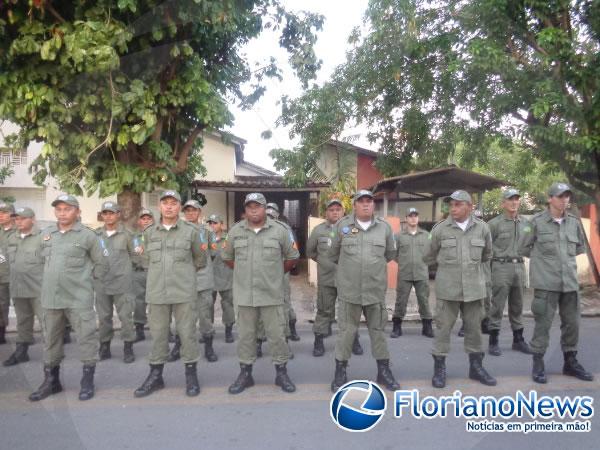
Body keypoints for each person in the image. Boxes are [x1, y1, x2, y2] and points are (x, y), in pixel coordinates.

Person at [29, 194, 108, 401]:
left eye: (68, 209)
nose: (62, 213)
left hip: (78, 298)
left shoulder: (88, 236)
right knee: (50, 340)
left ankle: (87, 380)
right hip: (51, 299)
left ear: (78, 212)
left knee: (86, 338)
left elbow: (100, 264)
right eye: (59, 209)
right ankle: (51, 381)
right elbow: (37, 260)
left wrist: (87, 283)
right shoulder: (46, 235)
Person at [223, 193, 299, 394]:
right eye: (250, 206)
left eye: (258, 206)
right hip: (245, 294)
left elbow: (292, 257)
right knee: (246, 337)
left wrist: (274, 274)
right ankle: (245, 374)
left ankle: (281, 373)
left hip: (271, 293)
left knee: (277, 336)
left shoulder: (281, 230)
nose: (254, 210)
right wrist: (244, 273)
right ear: (245, 209)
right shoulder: (235, 231)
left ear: (265, 208)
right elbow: (228, 258)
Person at [133, 190, 207, 398]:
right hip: (157, 292)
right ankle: (156, 376)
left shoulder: (191, 232)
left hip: (184, 292)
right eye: (165, 203)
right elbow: (145, 260)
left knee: (187, 334)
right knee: (158, 336)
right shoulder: (149, 233)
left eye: (173, 203)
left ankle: (191, 376)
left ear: (179, 207)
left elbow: (199, 260)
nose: (169, 206)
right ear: (160, 207)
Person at [520, 182, 593, 384]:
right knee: (542, 325)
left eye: (567, 196)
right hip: (546, 284)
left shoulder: (574, 223)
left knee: (572, 325)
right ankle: (538, 362)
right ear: (550, 198)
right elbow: (523, 248)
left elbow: (578, 248)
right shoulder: (535, 222)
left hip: (569, 283)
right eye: (560, 196)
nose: (565, 200)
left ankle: (570, 362)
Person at [424, 190, 496, 389]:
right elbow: (428, 256)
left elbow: (486, 254)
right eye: (451, 205)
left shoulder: (483, 229)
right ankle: (439, 369)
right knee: (442, 330)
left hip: (474, 289)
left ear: (469, 207)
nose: (452, 208)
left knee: (474, 330)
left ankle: (476, 368)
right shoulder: (440, 230)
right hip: (448, 290)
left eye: (457, 204)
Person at [330, 190, 400, 392]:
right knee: (345, 333)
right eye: (362, 201)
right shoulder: (342, 226)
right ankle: (340, 372)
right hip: (349, 292)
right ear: (355, 205)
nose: (366, 205)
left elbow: (389, 254)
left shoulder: (384, 228)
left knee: (378, 333)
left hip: (374, 291)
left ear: (373, 205)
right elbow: (334, 254)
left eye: (369, 201)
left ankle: (383, 371)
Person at [167, 199, 218, 363]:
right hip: (182, 281)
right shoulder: (177, 231)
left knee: (204, 317)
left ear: (199, 213)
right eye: (187, 210)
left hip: (203, 280)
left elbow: (213, 252)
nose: (190, 213)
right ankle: (178, 346)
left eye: (193, 210)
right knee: (182, 317)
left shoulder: (207, 231)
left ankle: (209, 347)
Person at [486, 188, 531, 356]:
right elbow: (486, 248)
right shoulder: (494, 224)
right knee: (497, 305)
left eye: (516, 199)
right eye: (510, 199)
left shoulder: (526, 224)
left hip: (519, 266)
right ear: (503, 203)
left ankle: (518, 340)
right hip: (500, 266)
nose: (514, 202)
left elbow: (532, 244)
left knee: (518, 305)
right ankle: (493, 340)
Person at [94, 201, 136, 364]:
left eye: (111, 213)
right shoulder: (95, 236)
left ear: (118, 215)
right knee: (104, 317)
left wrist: (127, 272)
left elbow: (136, 255)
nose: (108, 216)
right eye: (105, 213)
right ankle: (104, 346)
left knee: (126, 316)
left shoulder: (127, 234)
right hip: (102, 283)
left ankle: (128, 347)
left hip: (122, 283)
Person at [3, 207, 44, 366]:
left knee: (46, 322)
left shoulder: (43, 238)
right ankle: (22, 351)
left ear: (32, 219)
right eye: (16, 219)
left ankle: (51, 355)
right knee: (23, 321)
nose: (18, 221)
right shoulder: (12, 238)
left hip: (38, 289)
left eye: (22, 218)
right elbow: (3, 257)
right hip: (18, 287)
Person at [306, 198, 344, 357]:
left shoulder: (352, 229)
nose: (335, 212)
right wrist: (324, 262)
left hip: (348, 280)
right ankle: (319, 341)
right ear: (326, 213)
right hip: (327, 279)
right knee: (323, 311)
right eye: (331, 210)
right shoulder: (318, 230)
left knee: (349, 312)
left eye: (338, 209)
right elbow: (310, 252)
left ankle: (352, 339)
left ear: (343, 212)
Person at [391, 207, 434, 339]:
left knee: (424, 301)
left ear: (418, 218)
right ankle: (396, 327)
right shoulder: (398, 236)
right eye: (410, 216)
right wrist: (404, 262)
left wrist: (423, 264)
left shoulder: (427, 235)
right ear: (406, 219)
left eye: (415, 215)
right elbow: (394, 254)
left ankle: (427, 327)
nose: (413, 218)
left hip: (421, 274)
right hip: (405, 274)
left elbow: (432, 253)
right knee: (400, 301)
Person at [207, 214, 235, 343]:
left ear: (221, 225)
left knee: (228, 305)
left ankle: (228, 331)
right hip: (209, 277)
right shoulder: (205, 238)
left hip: (226, 276)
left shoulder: (228, 238)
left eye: (215, 223)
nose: (212, 225)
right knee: (207, 305)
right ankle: (207, 331)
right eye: (210, 223)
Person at [131, 208, 154, 342]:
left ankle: (164, 331)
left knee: (158, 303)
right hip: (138, 273)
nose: (146, 221)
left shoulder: (157, 235)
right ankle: (139, 330)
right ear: (139, 221)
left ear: (152, 220)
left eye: (148, 218)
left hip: (153, 272)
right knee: (138, 303)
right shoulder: (133, 236)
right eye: (143, 218)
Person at [0, 201, 16, 344]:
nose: (1, 215)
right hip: (2, 276)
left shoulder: (20, 231)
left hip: (21, 277)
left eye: (5, 212)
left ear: (12, 214)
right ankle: (1, 333)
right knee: (1, 305)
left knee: (27, 306)